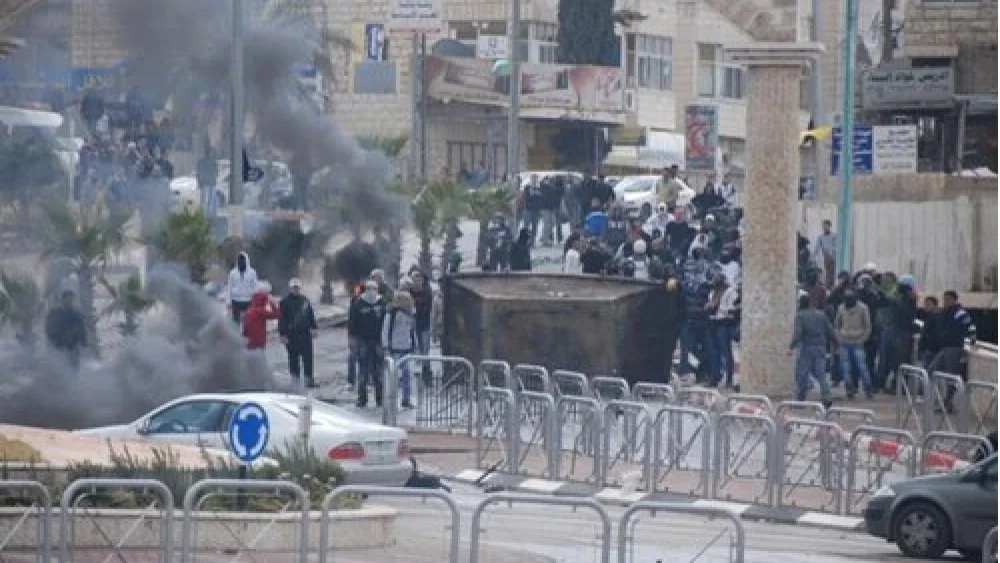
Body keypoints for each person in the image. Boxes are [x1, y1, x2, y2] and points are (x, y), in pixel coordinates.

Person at [929, 290, 977, 412]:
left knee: (951, 375)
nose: (945, 302)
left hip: (955, 347)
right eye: (944, 299)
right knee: (932, 369)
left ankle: (948, 402)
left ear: (954, 300)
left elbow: (970, 326)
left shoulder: (960, 313)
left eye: (948, 300)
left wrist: (972, 339)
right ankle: (941, 399)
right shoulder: (943, 313)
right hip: (944, 347)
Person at [789, 293, 835, 408]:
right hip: (821, 348)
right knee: (821, 374)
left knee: (802, 374)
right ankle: (827, 396)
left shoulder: (800, 316)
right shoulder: (821, 314)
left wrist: (791, 346)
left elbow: (798, 333)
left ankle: (800, 400)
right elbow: (830, 330)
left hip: (807, 348)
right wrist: (836, 343)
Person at [348, 280, 387, 407]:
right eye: (369, 288)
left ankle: (380, 398)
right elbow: (352, 323)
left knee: (378, 371)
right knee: (363, 371)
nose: (372, 291)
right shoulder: (358, 303)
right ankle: (362, 398)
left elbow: (386, 322)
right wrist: (352, 339)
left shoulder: (381, 302)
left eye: (374, 288)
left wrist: (385, 340)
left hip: (378, 341)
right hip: (362, 341)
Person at [835, 288, 874, 400]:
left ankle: (868, 390)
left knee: (862, 368)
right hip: (844, 342)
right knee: (846, 369)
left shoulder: (863, 308)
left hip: (858, 343)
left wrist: (862, 339)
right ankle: (849, 391)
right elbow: (837, 325)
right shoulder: (841, 308)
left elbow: (867, 327)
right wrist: (839, 338)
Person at [279, 278, 318, 389]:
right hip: (291, 335)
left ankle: (309, 380)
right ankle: (295, 381)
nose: (296, 290)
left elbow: (310, 315)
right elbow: (282, 319)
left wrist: (314, 327)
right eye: (294, 288)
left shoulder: (305, 301)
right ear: (290, 288)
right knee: (293, 359)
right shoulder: (284, 302)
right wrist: (282, 334)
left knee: (308, 358)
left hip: (305, 334)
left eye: (297, 288)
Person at [383, 291, 417, 409]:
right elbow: (386, 329)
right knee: (394, 375)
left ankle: (406, 399)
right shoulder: (392, 313)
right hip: (395, 347)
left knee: (407, 374)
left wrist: (414, 344)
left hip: (406, 347)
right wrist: (386, 346)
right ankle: (392, 399)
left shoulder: (411, 314)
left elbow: (412, 331)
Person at [709, 276, 739, 390]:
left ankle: (729, 379)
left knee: (726, 352)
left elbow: (733, 309)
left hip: (725, 323)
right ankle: (714, 378)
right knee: (714, 352)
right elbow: (710, 305)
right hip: (713, 322)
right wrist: (710, 306)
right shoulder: (712, 293)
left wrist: (719, 307)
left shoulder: (730, 292)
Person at [45, 289, 87, 369]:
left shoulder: (76, 315)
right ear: (63, 299)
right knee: (59, 369)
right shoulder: (55, 313)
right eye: (68, 298)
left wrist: (83, 343)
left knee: (73, 370)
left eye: (71, 299)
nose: (70, 301)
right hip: (59, 348)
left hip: (73, 349)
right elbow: (49, 329)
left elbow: (82, 330)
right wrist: (57, 339)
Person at [409, 269, 434, 386]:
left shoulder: (427, 293)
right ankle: (415, 373)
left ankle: (426, 374)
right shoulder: (410, 293)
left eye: (419, 280)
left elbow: (428, 309)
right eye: (415, 281)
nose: (417, 283)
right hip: (413, 325)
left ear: (422, 282)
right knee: (415, 349)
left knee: (425, 350)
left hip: (424, 325)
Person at [228, 252, 258, 323]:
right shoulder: (232, 273)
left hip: (248, 300)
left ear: (246, 261)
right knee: (235, 322)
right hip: (236, 300)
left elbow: (255, 286)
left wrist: (255, 300)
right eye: (240, 260)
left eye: (243, 260)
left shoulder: (252, 272)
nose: (241, 262)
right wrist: (228, 301)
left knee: (248, 320)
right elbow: (229, 287)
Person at [813, 220, 837, 289]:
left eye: (826, 226)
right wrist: (813, 257)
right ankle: (829, 286)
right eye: (823, 226)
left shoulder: (834, 236)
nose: (824, 228)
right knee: (828, 272)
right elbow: (817, 248)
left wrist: (832, 251)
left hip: (834, 256)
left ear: (829, 226)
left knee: (832, 272)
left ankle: (831, 285)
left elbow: (836, 246)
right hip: (826, 257)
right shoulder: (821, 237)